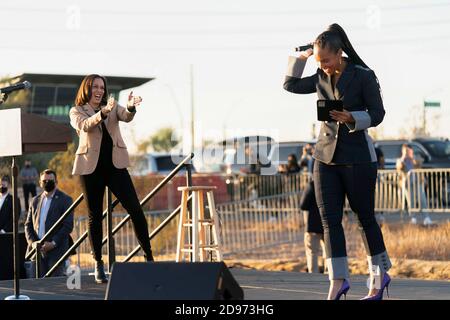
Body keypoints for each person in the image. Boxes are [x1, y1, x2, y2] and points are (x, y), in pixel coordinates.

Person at [284, 23, 392, 300]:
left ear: (340, 52)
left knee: (365, 218)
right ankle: (337, 281)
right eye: (320, 62)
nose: (324, 67)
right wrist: (303, 58)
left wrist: (353, 118)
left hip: (357, 157)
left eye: (327, 61)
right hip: (324, 158)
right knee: (329, 221)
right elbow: (290, 85)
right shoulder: (319, 75)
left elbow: (378, 113)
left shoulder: (363, 76)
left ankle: (379, 277)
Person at [69, 74, 154, 284]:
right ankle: (98, 263)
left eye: (101, 87)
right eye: (95, 86)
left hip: (115, 166)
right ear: (87, 89)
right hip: (90, 168)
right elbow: (84, 125)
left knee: (135, 209)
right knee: (94, 216)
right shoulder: (76, 110)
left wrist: (131, 107)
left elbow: (126, 116)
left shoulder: (112, 106)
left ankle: (149, 258)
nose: (99, 90)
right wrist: (103, 113)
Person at [24, 169, 73, 277]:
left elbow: (68, 225)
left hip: (56, 252)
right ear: (40, 183)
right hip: (37, 252)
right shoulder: (35, 201)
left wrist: (53, 243)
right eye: (44, 181)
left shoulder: (66, 200)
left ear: (56, 182)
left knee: (54, 286)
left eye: (50, 180)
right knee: (36, 286)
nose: (47, 183)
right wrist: (33, 243)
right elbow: (28, 225)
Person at [396, 144, 433, 225]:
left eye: (408, 150)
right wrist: (403, 158)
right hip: (407, 184)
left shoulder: (415, 158)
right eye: (406, 150)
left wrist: (412, 157)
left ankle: (426, 217)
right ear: (403, 151)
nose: (407, 152)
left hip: (418, 182)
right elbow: (399, 168)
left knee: (422, 200)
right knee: (410, 201)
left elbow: (419, 164)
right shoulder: (400, 160)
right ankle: (413, 218)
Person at [299, 179, 326, 274]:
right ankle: (330, 272)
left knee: (312, 252)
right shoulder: (335, 183)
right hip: (330, 223)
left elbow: (303, 205)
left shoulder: (312, 185)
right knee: (329, 251)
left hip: (313, 224)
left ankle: (313, 274)